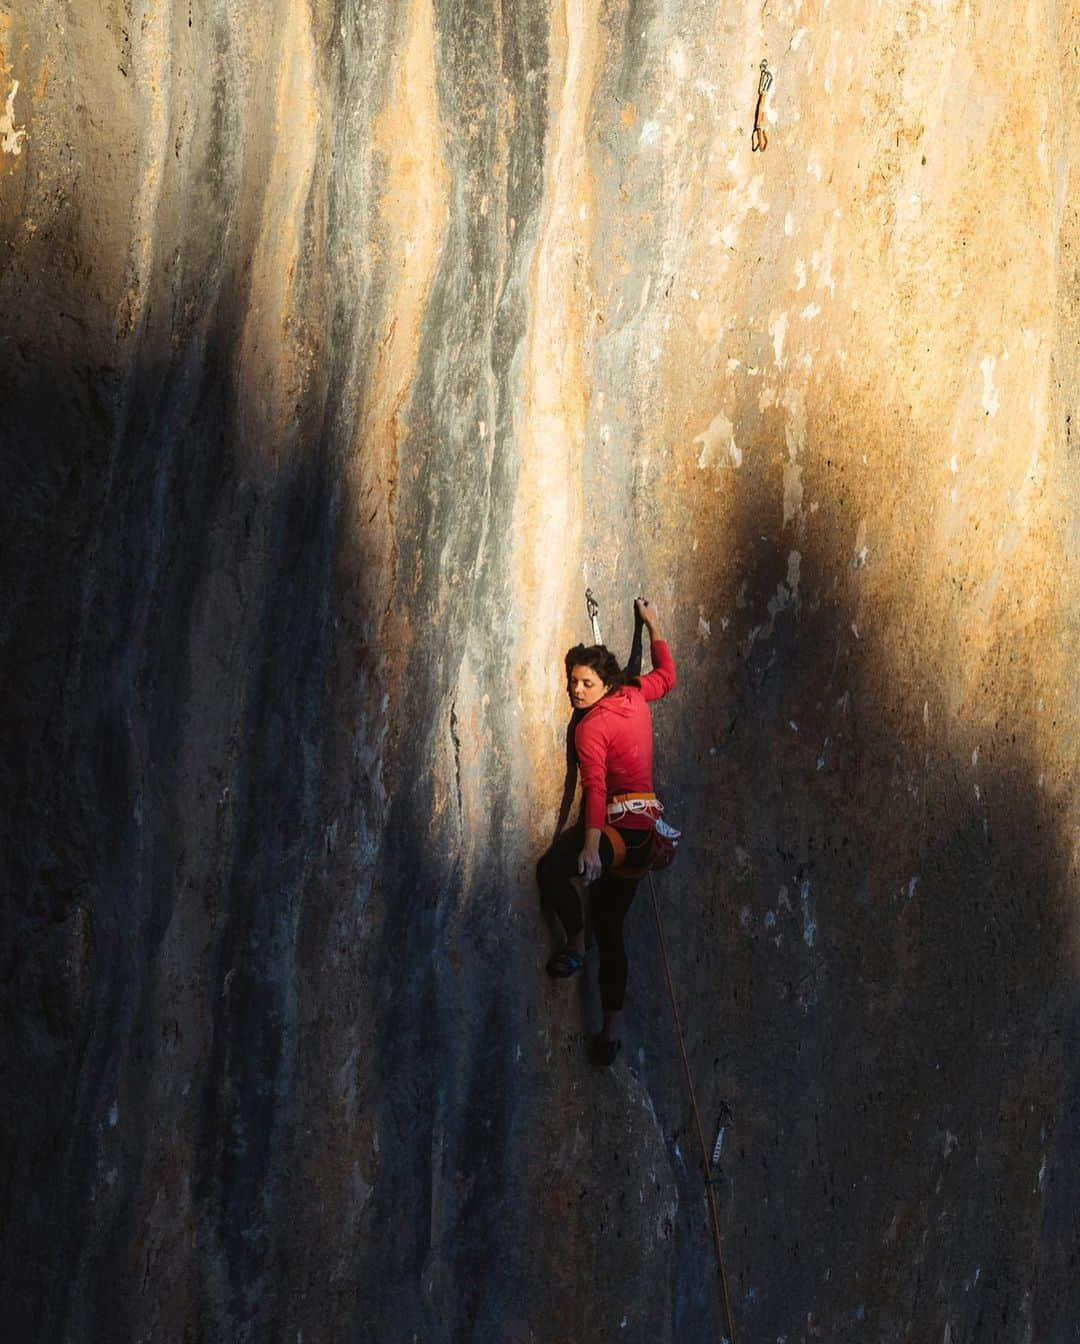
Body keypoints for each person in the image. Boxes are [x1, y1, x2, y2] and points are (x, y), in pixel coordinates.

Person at [539, 597, 676, 1065]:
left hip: (618, 828)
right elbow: (667, 677)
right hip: (646, 831)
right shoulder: (634, 693)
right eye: (572, 682)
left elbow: (595, 789)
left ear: (603, 684)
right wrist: (653, 624)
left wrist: (592, 846)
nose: (576, 691)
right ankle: (610, 1033)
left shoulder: (590, 728)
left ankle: (575, 945)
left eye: (585, 683)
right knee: (612, 928)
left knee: (553, 871)